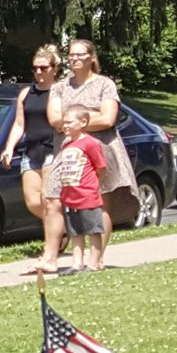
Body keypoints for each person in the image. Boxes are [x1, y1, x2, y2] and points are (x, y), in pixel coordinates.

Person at [47, 38, 137, 259]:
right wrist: (90, 116)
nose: (74, 58)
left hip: (100, 149)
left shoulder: (105, 85)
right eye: (71, 54)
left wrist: (73, 121)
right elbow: (54, 119)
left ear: (91, 57)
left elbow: (108, 119)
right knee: (55, 200)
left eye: (80, 54)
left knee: (100, 203)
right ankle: (55, 257)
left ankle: (96, 258)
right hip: (67, 153)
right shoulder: (59, 88)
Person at [1, 45, 64, 272]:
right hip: (31, 150)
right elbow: (19, 124)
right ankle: (62, 228)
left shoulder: (60, 92)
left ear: (54, 69)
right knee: (33, 202)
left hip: (53, 149)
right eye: (35, 68)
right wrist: (9, 148)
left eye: (43, 68)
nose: (38, 72)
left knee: (48, 200)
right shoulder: (27, 93)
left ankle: (49, 251)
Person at [50, 107, 109, 274]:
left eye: (69, 122)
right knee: (75, 231)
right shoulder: (66, 145)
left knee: (93, 230)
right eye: (64, 122)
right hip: (69, 196)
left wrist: (90, 185)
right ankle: (77, 264)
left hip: (87, 195)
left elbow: (100, 167)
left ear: (83, 122)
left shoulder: (90, 143)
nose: (65, 125)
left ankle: (93, 264)